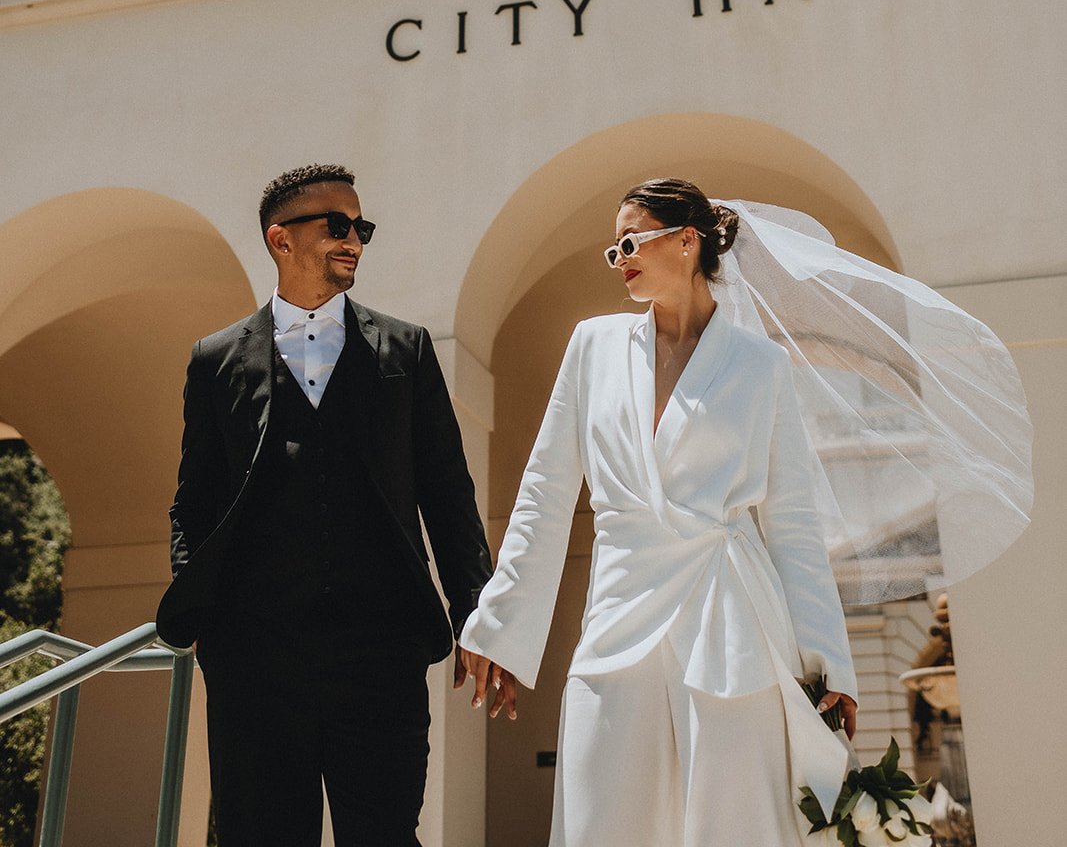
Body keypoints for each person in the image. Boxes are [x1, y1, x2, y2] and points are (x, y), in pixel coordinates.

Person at [460, 178, 860, 847]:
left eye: (630, 240)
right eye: (610, 250)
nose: (619, 258)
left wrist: (830, 663)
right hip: (619, 609)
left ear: (686, 240)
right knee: (601, 820)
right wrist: (497, 621)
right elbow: (545, 493)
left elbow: (792, 525)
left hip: (731, 617)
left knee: (735, 825)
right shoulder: (592, 346)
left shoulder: (760, 366)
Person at [156, 163, 493, 847]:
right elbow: (194, 499)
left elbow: (448, 493)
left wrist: (477, 615)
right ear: (280, 240)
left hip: (383, 648)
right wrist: (200, 610)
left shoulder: (405, 348)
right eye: (336, 225)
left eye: (360, 226)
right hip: (254, 653)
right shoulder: (215, 358)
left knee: (386, 832)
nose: (354, 240)